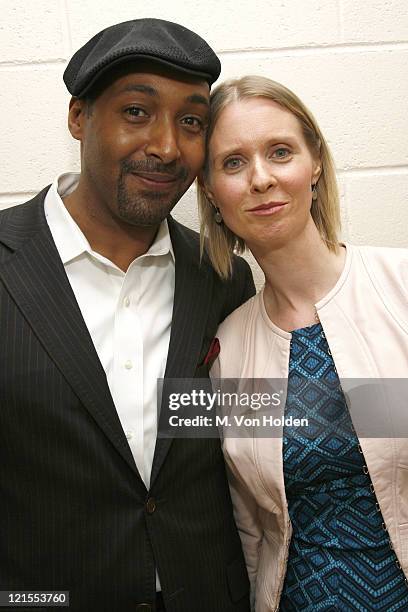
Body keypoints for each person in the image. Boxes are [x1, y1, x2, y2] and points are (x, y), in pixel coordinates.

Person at [0, 20, 255, 612]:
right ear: (79, 117)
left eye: (191, 121)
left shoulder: (222, 279)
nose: (167, 146)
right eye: (137, 111)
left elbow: (258, 426)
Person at [197, 75, 408, 611]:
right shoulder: (230, 347)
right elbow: (252, 531)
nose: (261, 179)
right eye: (233, 163)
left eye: (280, 152)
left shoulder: (400, 284)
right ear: (213, 196)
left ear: (315, 165)